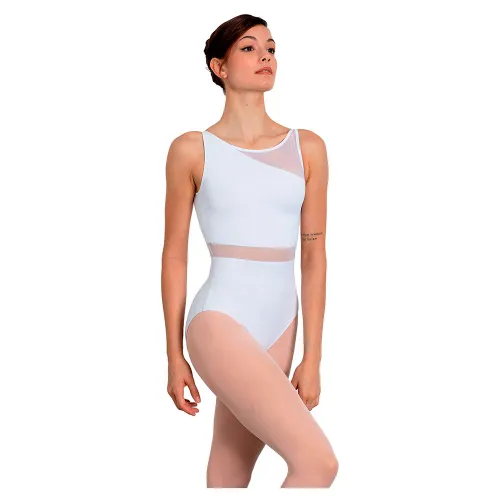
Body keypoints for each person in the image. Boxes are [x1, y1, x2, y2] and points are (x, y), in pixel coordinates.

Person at [161, 14, 338, 488]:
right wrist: (174, 355)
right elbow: (174, 255)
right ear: (219, 67)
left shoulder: (307, 148)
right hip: (218, 319)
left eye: (271, 48)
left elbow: (314, 257)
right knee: (318, 463)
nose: (266, 56)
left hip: (281, 324)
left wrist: (313, 357)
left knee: (229, 471)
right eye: (249, 47)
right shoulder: (191, 149)